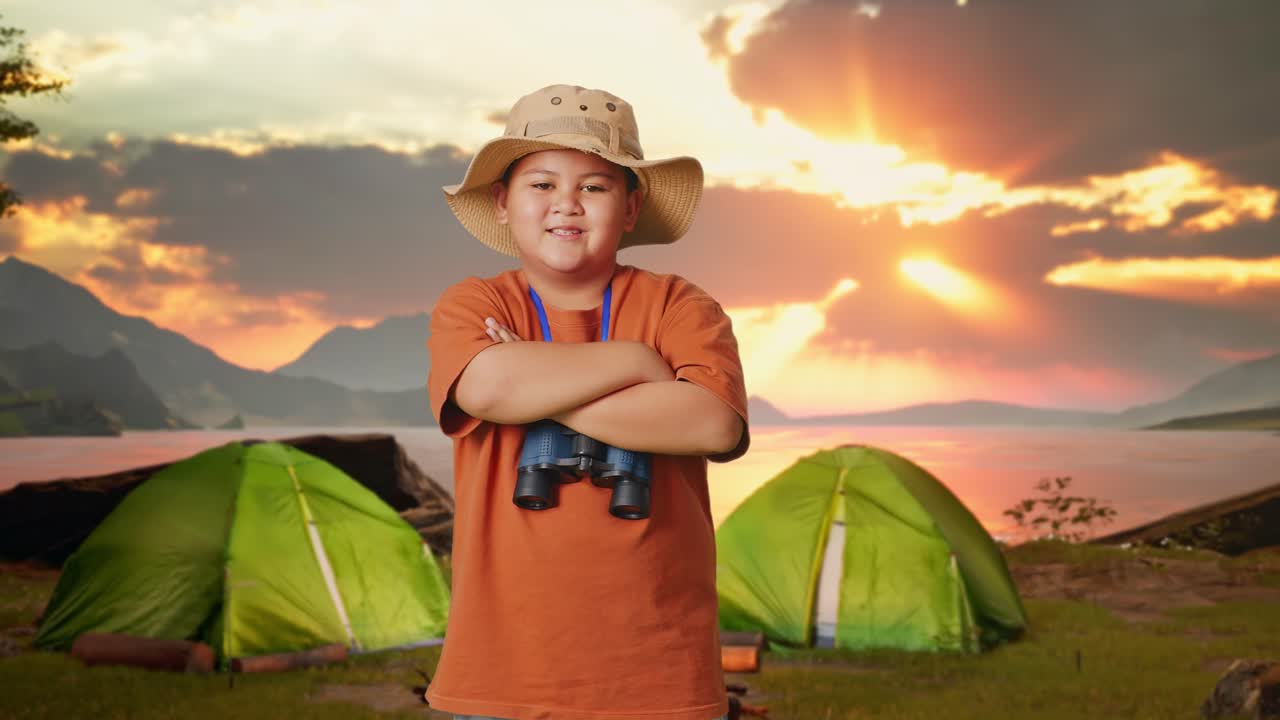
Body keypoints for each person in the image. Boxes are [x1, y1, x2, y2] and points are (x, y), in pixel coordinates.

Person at [426, 84, 750, 720]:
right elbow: (486, 388)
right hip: (501, 671)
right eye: (541, 185)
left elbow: (711, 424)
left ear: (630, 208)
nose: (566, 205)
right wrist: (636, 364)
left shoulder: (680, 305)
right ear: (502, 203)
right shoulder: (475, 304)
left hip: (658, 672)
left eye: (595, 187)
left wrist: (533, 385)